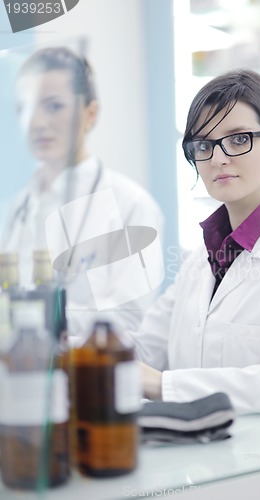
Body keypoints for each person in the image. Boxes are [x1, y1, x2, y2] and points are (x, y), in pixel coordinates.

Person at [132, 69, 260, 414]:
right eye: (204, 145)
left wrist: (165, 385)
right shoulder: (201, 260)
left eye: (239, 139)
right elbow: (142, 349)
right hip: (196, 462)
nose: (219, 158)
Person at [1, 46, 164, 338]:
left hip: (89, 377)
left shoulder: (131, 206)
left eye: (53, 106)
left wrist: (37, 315)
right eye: (25, 107)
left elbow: (130, 321)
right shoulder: (17, 207)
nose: (37, 122)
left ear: (90, 113)